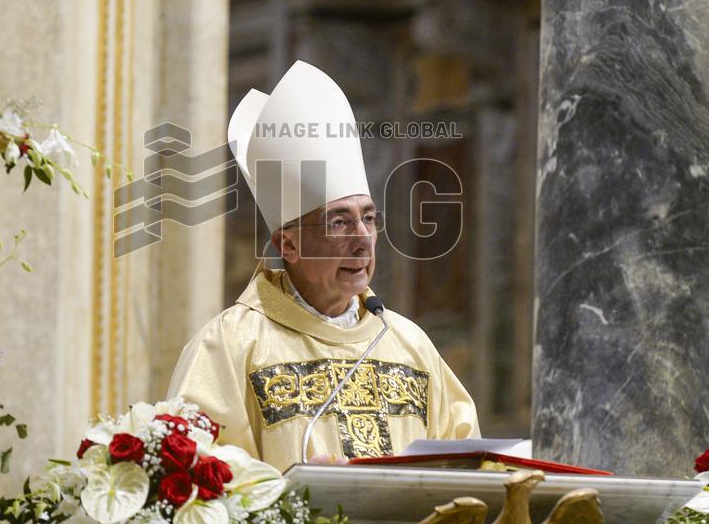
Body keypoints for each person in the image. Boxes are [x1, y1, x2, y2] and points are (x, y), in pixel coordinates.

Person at [167, 60, 478, 471]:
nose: (363, 238)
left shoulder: (409, 344)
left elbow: (467, 462)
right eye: (339, 222)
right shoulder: (232, 344)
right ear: (289, 244)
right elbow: (199, 474)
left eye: (369, 218)